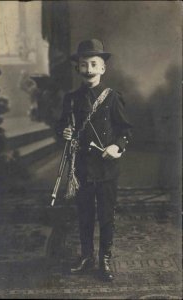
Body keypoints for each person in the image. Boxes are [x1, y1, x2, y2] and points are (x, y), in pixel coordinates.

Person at [57, 39, 132, 281]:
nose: (88, 69)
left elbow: (125, 131)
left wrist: (116, 146)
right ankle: (87, 256)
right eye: (83, 64)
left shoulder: (112, 97)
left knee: (106, 215)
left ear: (102, 68)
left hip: (106, 166)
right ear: (77, 69)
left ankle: (105, 260)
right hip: (81, 167)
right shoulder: (71, 99)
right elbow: (63, 125)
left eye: (93, 64)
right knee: (85, 213)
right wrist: (64, 132)